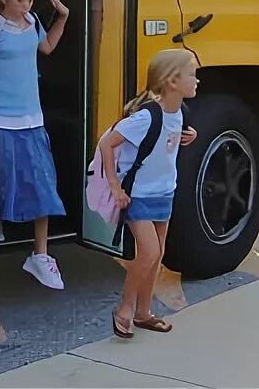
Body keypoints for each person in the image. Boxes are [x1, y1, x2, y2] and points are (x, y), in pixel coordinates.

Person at [98, 49, 199, 338]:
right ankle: (125, 309)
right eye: (191, 74)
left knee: (157, 255)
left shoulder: (179, 113)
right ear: (171, 81)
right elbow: (108, 144)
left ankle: (144, 312)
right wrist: (116, 188)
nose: (196, 80)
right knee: (149, 252)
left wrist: (190, 136)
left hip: (165, 191)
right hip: (139, 195)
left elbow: (169, 141)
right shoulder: (145, 117)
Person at [0, 0, 70, 289]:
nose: (26, 5)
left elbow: (46, 48)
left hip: (31, 117)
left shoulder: (32, 21)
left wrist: (61, 16)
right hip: (0, 117)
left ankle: (40, 254)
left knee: (41, 184)